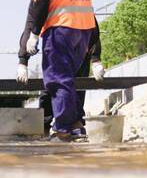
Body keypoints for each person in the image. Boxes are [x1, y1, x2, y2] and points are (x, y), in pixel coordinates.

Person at [16, 0, 97, 142]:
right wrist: (96, 54)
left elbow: (42, 0)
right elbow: (88, 5)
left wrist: (34, 34)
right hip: (84, 30)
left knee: (57, 80)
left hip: (60, 29)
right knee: (73, 82)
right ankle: (77, 127)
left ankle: (61, 130)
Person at [16, 7, 104, 140]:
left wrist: (96, 59)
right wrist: (23, 60)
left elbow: (92, 26)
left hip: (80, 46)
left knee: (77, 85)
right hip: (57, 44)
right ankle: (44, 126)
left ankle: (75, 123)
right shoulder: (42, 0)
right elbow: (30, 26)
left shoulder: (78, 1)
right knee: (52, 86)